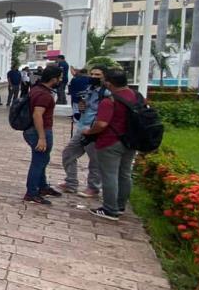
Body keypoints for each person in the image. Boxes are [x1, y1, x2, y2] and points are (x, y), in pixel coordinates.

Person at [83, 69, 138, 221]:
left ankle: (110, 209)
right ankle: (120, 206)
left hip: (111, 142)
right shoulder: (137, 96)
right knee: (125, 174)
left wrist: (89, 132)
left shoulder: (110, 101)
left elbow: (101, 124)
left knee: (109, 175)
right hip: (130, 141)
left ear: (108, 83)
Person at [58, 65, 107, 198]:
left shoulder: (106, 93)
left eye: (98, 75)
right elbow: (87, 107)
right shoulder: (89, 89)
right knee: (68, 153)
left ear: (104, 77)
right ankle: (71, 182)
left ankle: (93, 188)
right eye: (92, 74)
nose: (94, 77)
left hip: (95, 129)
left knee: (95, 160)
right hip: (83, 125)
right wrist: (81, 107)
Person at [23, 65, 64, 205]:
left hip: (35, 130)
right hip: (39, 131)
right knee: (38, 162)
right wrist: (42, 137)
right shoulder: (44, 95)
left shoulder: (37, 89)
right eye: (60, 77)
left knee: (42, 160)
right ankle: (32, 192)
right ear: (54, 79)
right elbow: (37, 115)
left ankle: (42, 186)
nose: (61, 80)